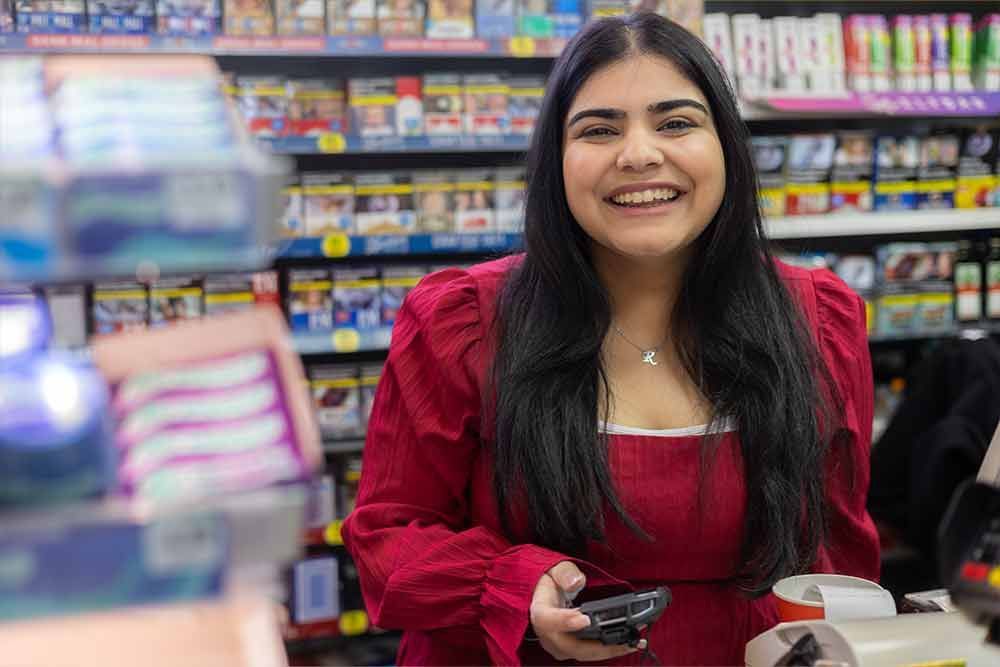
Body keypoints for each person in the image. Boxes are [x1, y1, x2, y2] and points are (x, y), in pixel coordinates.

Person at [342, 13, 879, 666]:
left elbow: (838, 557)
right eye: (599, 130)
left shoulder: (819, 320)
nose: (639, 155)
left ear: (726, 146)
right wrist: (515, 587)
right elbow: (387, 538)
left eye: (675, 123)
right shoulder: (460, 322)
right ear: (556, 160)